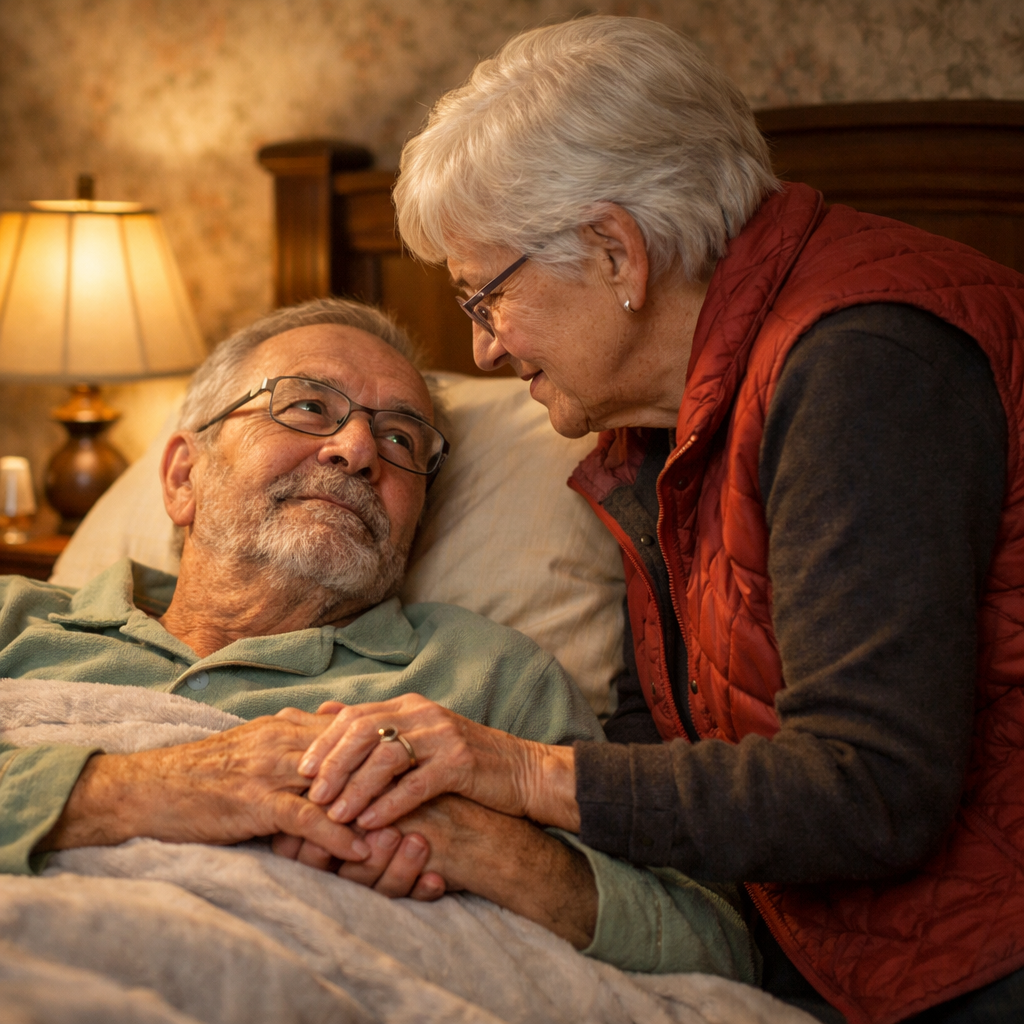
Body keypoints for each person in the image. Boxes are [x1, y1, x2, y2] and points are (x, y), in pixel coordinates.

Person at [296, 17, 1024, 1024]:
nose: (486, 348)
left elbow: (872, 792)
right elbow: (670, 728)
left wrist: (514, 770)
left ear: (614, 252)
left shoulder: (860, 361)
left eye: (484, 296)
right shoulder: (657, 425)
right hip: (817, 940)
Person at [0, 297, 756, 982]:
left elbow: (710, 943)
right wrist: (143, 790)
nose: (357, 449)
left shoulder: (487, 677)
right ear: (182, 477)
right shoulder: (14, 619)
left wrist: (472, 839)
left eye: (401, 437)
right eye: (306, 406)